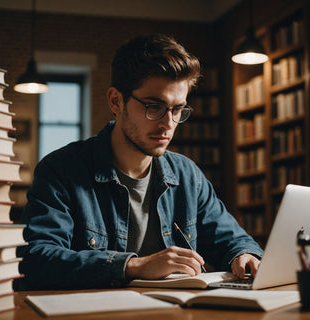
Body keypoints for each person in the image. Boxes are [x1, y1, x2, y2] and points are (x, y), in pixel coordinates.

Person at [16, 34, 263, 290]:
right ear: (116, 101)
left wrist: (244, 256)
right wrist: (134, 266)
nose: (168, 124)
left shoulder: (188, 175)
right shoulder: (61, 170)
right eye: (154, 107)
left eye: (177, 109)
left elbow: (233, 240)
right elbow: (34, 260)